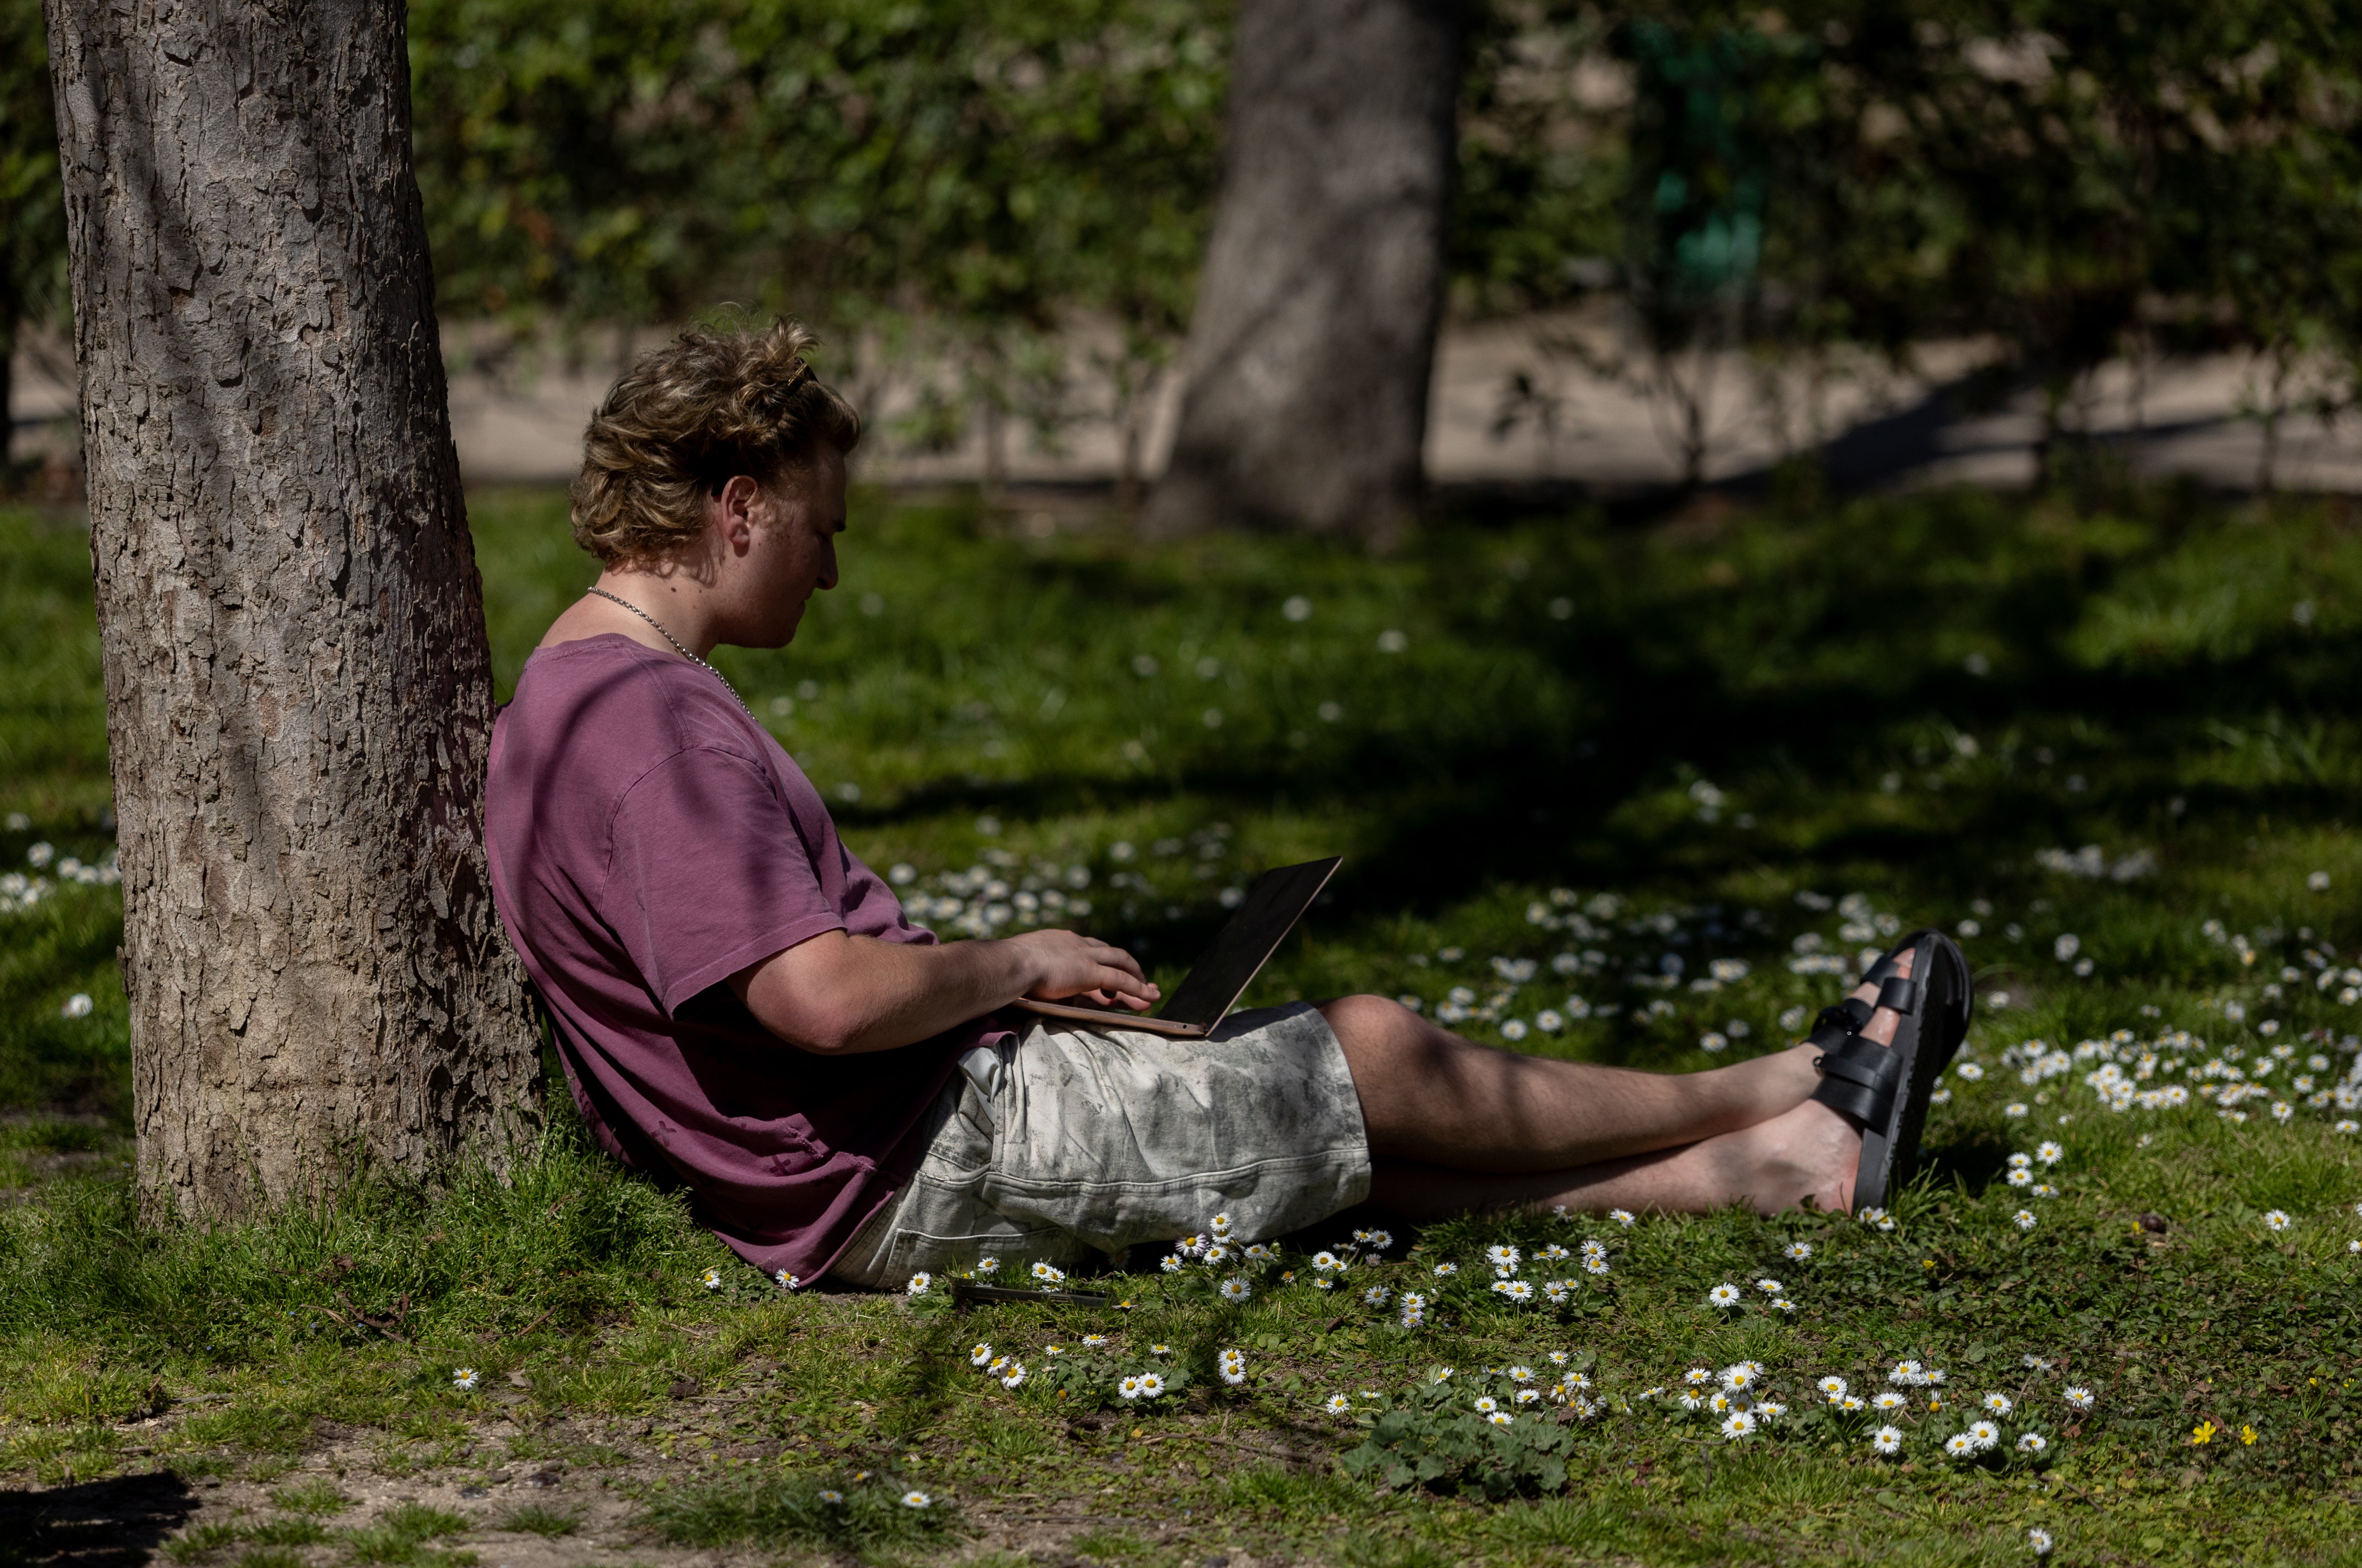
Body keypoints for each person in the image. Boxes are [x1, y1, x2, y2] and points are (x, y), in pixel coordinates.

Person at [484, 320, 1962, 1291]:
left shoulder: (564, 699)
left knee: (1303, 1133)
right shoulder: (656, 730)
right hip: (898, 1158)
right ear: (738, 508)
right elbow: (814, 1000)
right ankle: (1784, 1084)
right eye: (817, 529)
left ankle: (1769, 1173)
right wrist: (1012, 969)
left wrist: (1023, 999)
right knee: (1369, 1051)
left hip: (856, 1158)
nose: (831, 568)